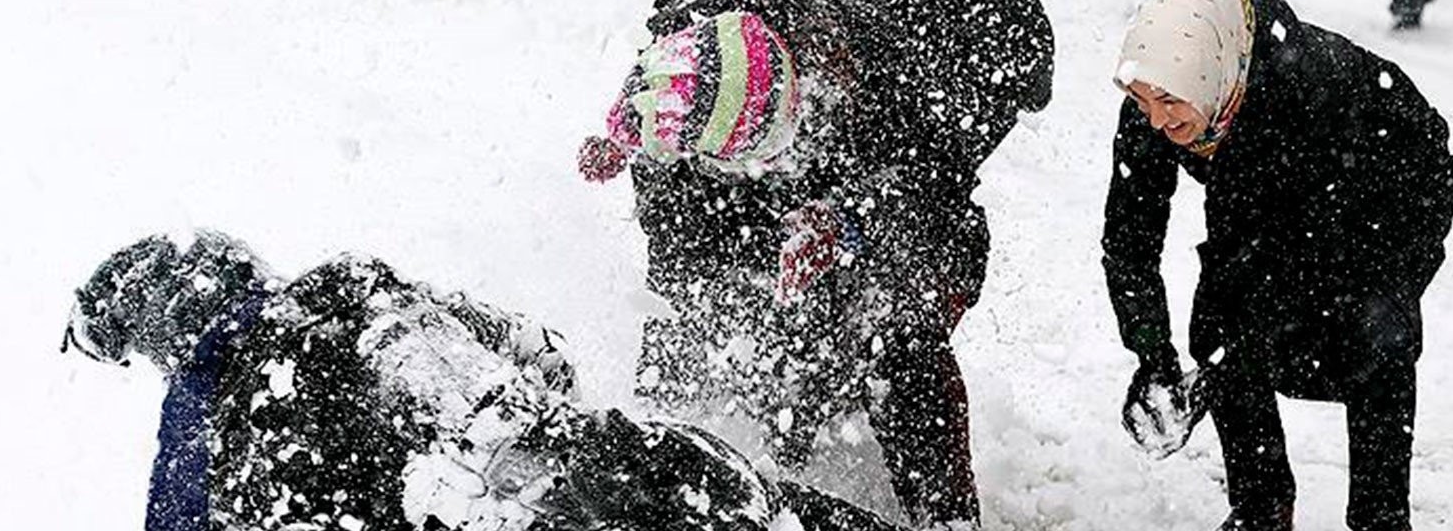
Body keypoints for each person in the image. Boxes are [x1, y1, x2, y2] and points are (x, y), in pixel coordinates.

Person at [615, 0, 1054, 529]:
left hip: (920, 149)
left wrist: (870, 200)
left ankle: (942, 516)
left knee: (887, 321)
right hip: (814, 147)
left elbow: (1022, 61)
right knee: (716, 301)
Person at [63, 231, 903, 531]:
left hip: (519, 498)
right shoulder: (354, 285)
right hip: (621, 464)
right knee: (746, 499)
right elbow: (543, 354)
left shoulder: (218, 451)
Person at [1101, 0, 1453, 531]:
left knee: (1373, 335)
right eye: (1142, 100)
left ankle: (1381, 514)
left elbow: (1270, 249)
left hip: (1385, 187)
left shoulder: (1302, 85)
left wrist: (1393, 283)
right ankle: (1262, 506)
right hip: (1280, 195)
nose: (1155, 119)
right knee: (1219, 329)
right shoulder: (1161, 95)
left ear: (1208, 75)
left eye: (1168, 103)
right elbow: (1128, 244)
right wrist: (1153, 358)